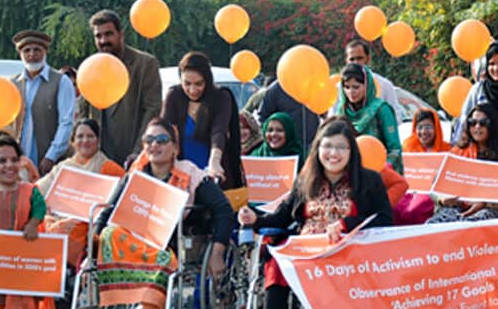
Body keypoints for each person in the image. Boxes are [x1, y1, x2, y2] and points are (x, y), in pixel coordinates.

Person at [231, 119, 394, 309]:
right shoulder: (306, 180)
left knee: (321, 270)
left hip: (346, 253)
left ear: (351, 151)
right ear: (318, 149)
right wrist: (255, 219)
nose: (333, 153)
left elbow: (384, 219)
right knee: (276, 265)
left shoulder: (369, 181)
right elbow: (283, 216)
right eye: (327, 146)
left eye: (341, 147)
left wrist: (346, 224)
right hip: (306, 249)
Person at [93, 118, 232, 309]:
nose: (154, 145)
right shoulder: (136, 173)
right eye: (149, 140)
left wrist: (218, 252)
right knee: (109, 235)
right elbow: (108, 210)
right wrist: (95, 239)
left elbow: (223, 210)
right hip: (136, 242)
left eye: (162, 140)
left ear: (175, 147)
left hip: (174, 245)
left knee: (156, 261)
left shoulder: (191, 174)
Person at [0, 135, 47, 309]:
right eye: (2, 161)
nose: (9, 165)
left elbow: (40, 208)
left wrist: (33, 223)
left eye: (14, 160)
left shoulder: (30, 191)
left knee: (27, 300)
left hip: (23, 257)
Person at [77, 10, 162, 168]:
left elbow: (152, 110)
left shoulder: (145, 64)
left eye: (108, 34)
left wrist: (139, 151)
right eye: (98, 36)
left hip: (133, 157)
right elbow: (83, 113)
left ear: (121, 34)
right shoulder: (91, 67)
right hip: (98, 159)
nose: (103, 40)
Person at [35, 119, 125, 265]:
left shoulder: (108, 167)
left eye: (90, 136)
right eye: (80, 136)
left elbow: (121, 198)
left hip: (87, 224)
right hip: (57, 219)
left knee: (67, 231)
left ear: (98, 140)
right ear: (73, 141)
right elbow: (37, 191)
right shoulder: (63, 167)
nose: (85, 141)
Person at [160, 51, 244, 189]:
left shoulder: (221, 97)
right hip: (181, 176)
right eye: (187, 84)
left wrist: (214, 161)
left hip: (212, 174)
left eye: (198, 84)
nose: (192, 90)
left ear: (208, 80)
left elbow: (219, 131)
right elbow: (165, 131)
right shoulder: (174, 96)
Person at [427, 103, 498, 223]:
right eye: (472, 122)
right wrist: (441, 199)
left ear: (492, 125)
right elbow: (434, 186)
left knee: (477, 220)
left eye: (483, 123)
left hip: (489, 210)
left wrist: (485, 203)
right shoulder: (458, 152)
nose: (477, 127)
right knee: (437, 222)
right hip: (456, 206)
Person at [8, 30, 75, 176]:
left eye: (37, 50)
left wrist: (51, 156)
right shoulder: (13, 84)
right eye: (27, 50)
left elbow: (66, 123)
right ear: (20, 54)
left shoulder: (61, 81)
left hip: (51, 163)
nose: (32, 55)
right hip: (19, 162)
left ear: (45, 52)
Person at [336, 63, 403, 173]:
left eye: (356, 87)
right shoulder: (342, 112)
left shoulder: (381, 109)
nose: (351, 92)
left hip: (379, 171)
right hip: (348, 173)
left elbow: (394, 148)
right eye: (347, 87)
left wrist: (384, 167)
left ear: (367, 86)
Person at [341, 39, 402, 118]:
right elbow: (333, 117)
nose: (355, 62)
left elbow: (396, 115)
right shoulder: (339, 87)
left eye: (359, 58)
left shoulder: (384, 85)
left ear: (368, 59)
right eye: (352, 59)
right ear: (346, 61)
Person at [257, 80, 320, 149]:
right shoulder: (276, 89)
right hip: (285, 147)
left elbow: (325, 114)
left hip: (312, 144)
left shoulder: (315, 86)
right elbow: (263, 117)